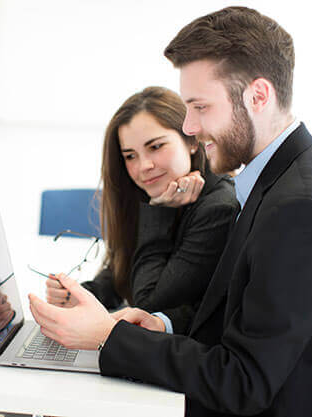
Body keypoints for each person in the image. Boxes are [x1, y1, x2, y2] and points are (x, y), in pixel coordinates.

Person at [29, 7, 312, 417]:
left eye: (200, 107)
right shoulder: (282, 182)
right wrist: (162, 328)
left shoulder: (299, 210)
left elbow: (244, 382)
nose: (188, 126)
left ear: (258, 96)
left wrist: (109, 335)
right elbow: (236, 323)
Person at [45, 87, 238, 332]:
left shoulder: (218, 209)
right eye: (130, 156)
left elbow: (149, 306)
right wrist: (81, 294)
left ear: (191, 141)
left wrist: (159, 212)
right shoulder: (153, 192)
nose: (144, 165)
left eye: (156, 147)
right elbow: (124, 271)